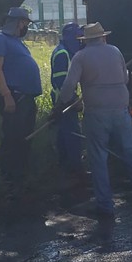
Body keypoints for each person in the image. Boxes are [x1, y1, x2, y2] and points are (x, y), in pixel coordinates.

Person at [53, 22, 132, 218]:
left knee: (99, 158)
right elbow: (125, 79)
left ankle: (105, 205)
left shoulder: (81, 56)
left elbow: (68, 86)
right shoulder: (115, 52)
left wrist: (61, 104)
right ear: (103, 37)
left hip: (96, 114)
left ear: (85, 41)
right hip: (121, 111)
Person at [0, 7, 42, 184]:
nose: (26, 26)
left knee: (25, 138)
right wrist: (6, 95)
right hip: (14, 97)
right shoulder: (0, 39)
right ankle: (8, 179)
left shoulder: (16, 41)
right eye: (25, 23)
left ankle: (21, 177)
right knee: (13, 138)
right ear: (18, 22)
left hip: (25, 98)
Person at [50, 23, 85, 178]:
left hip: (64, 98)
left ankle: (64, 165)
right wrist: (72, 99)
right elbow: (61, 80)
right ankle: (76, 169)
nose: (79, 41)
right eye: (77, 38)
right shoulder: (62, 54)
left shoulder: (66, 52)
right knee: (72, 133)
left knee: (64, 132)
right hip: (63, 100)